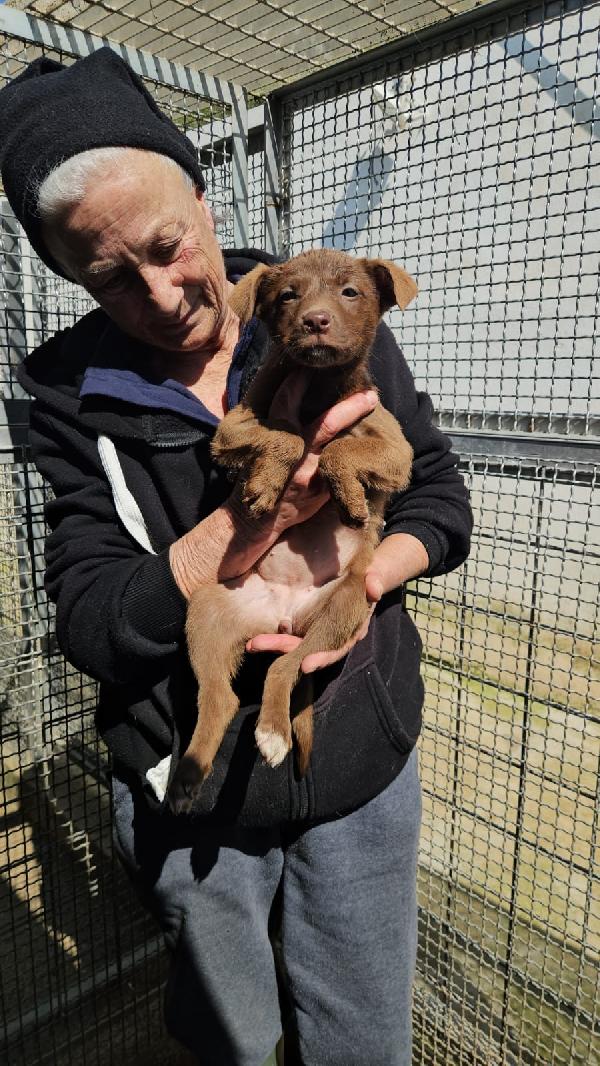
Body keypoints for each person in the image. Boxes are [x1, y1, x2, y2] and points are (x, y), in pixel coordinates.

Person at [0, 49, 472, 1066]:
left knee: (360, 1039)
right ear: (69, 278)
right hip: (190, 771)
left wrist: (368, 576)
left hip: (357, 751)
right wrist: (249, 527)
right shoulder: (69, 402)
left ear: (206, 202)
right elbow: (89, 619)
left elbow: (438, 493)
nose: (165, 295)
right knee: (234, 1041)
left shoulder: (324, 310)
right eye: (110, 277)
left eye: (170, 246)